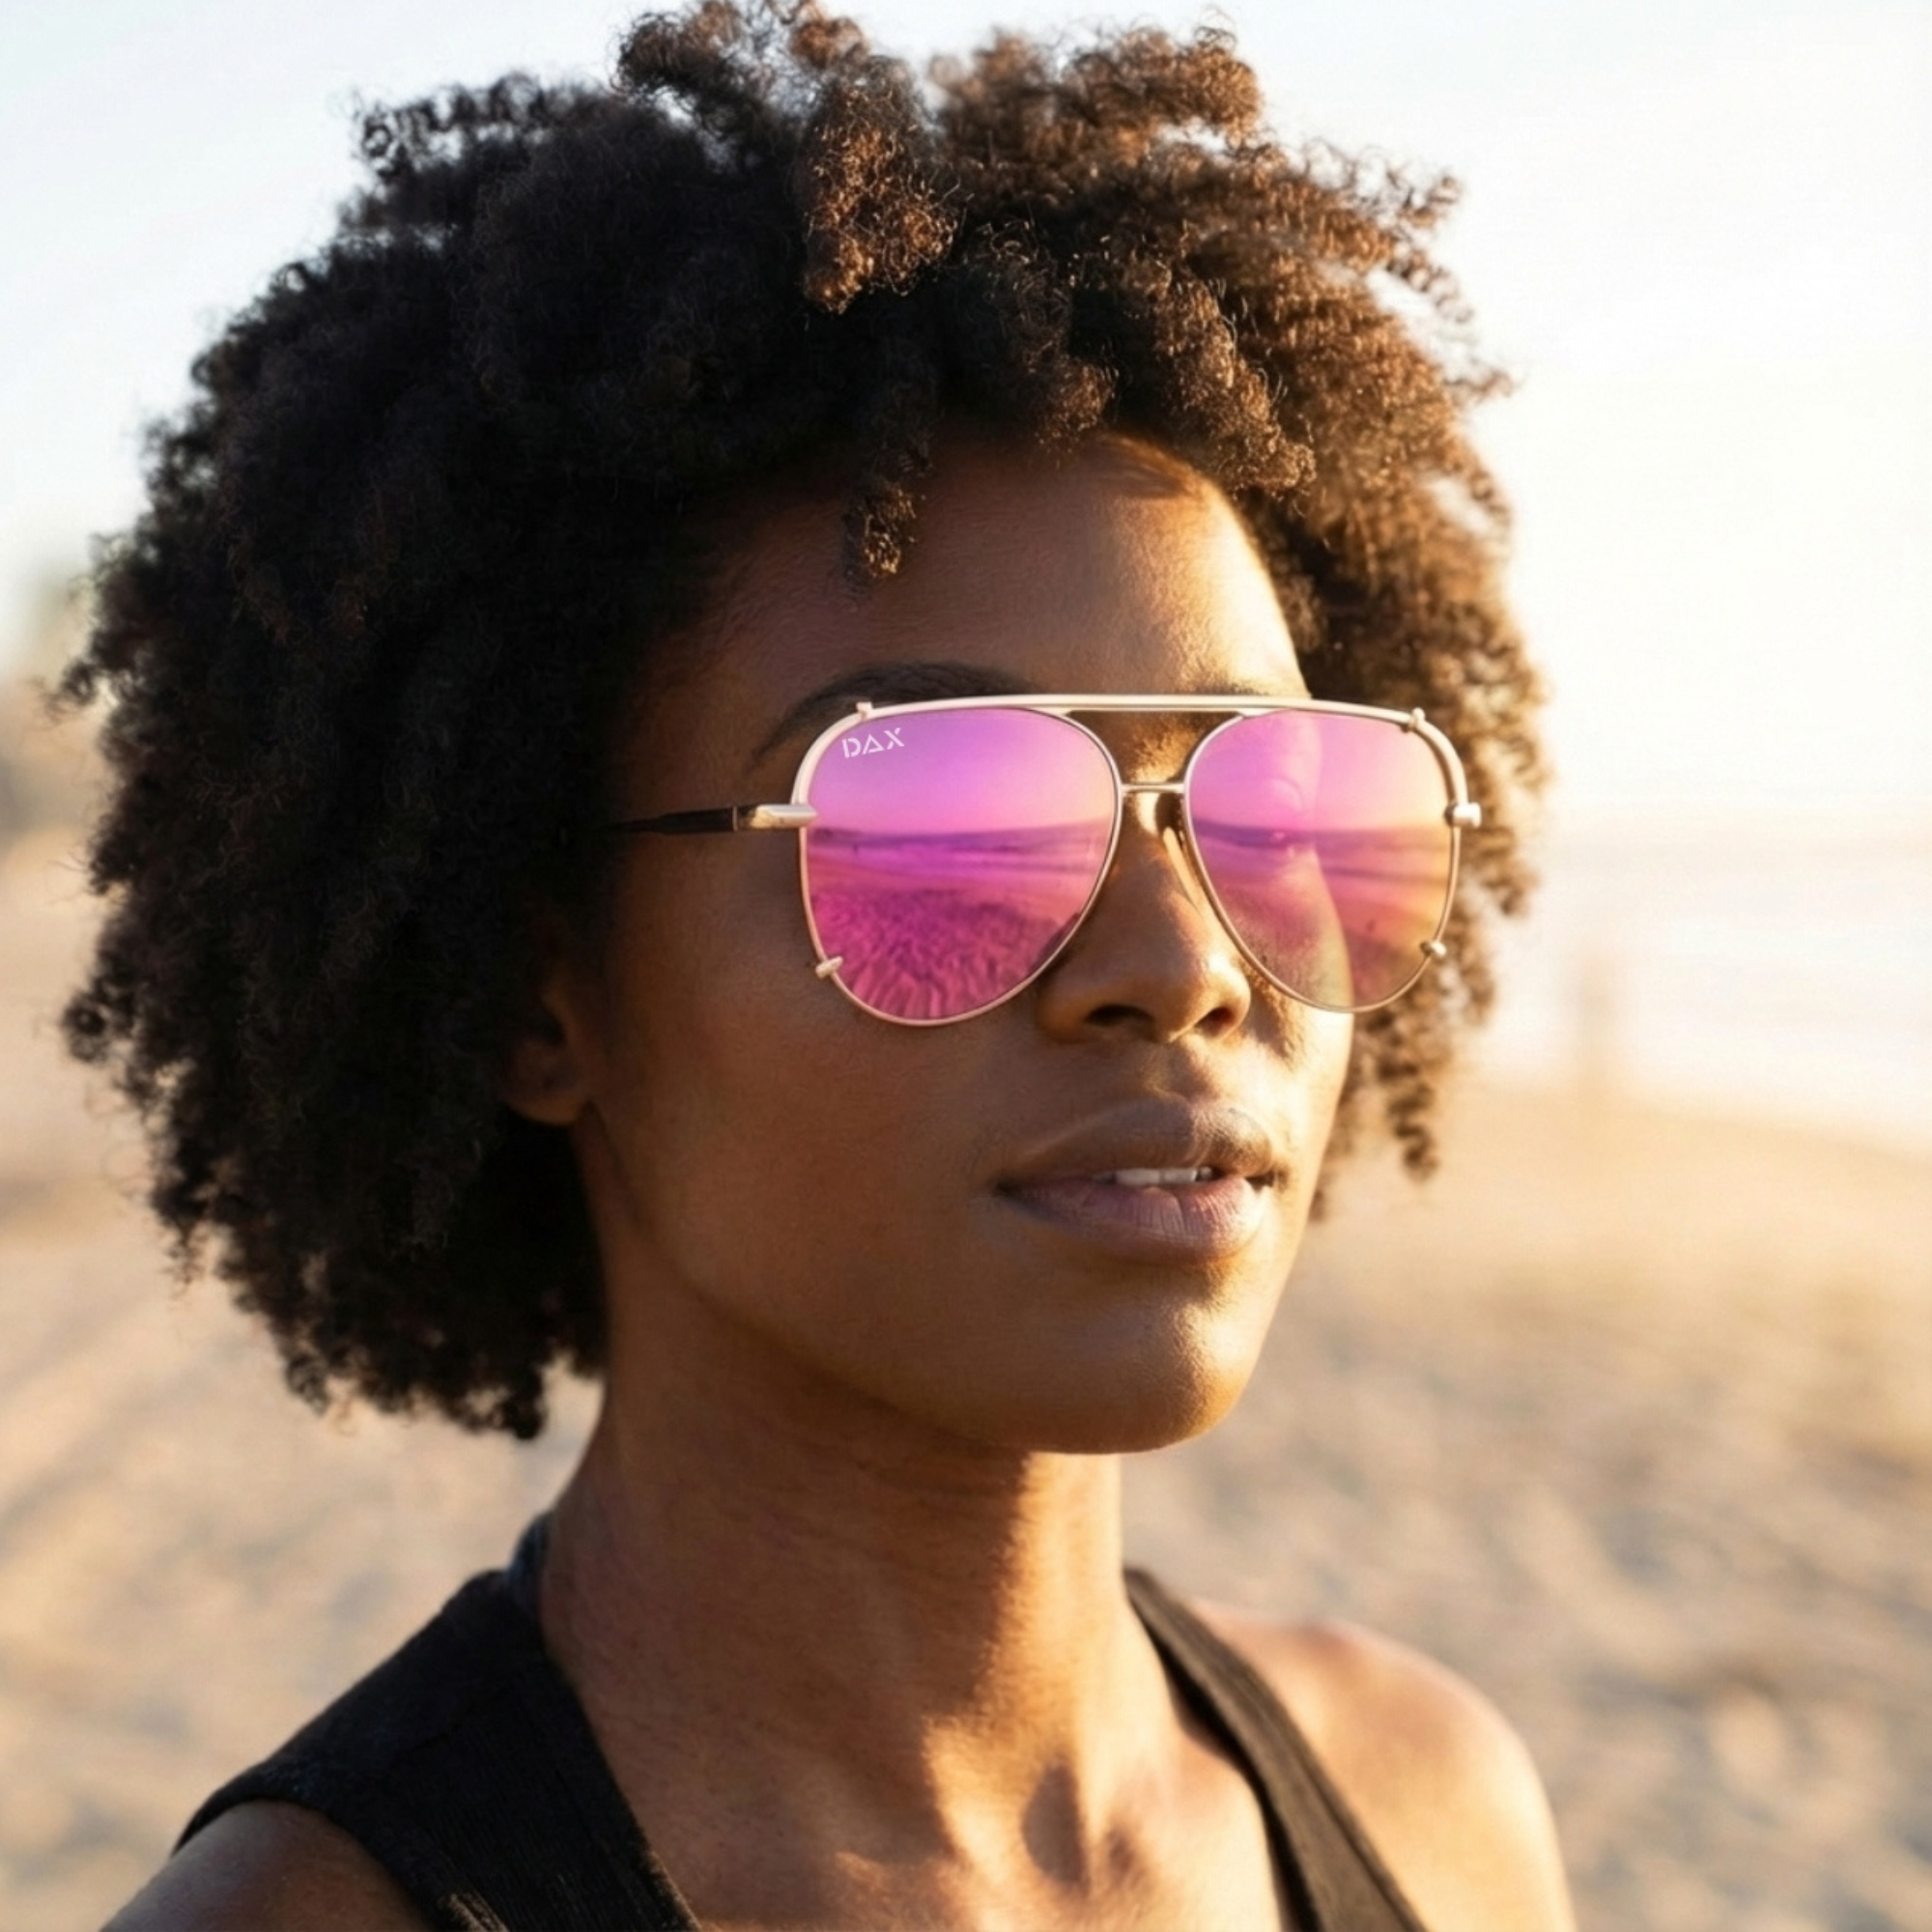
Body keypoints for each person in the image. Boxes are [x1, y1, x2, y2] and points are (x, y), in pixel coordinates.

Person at [79, 4, 1567, 1925]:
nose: (1182, 962)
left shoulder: (1432, 1814)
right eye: (942, 820)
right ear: (545, 992)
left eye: (1279, 799)